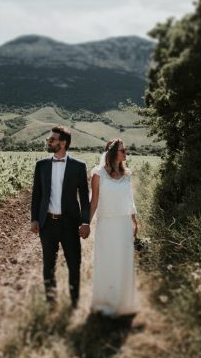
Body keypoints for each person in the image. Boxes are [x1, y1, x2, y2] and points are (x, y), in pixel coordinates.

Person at [30, 125, 90, 307]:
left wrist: (85, 221)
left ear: (63, 143)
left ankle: (74, 303)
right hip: (47, 223)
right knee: (48, 266)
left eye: (52, 139)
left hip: (70, 224)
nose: (49, 142)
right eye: (49, 139)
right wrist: (34, 218)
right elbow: (36, 195)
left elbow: (85, 198)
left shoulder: (79, 166)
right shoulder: (41, 165)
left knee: (74, 265)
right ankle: (51, 304)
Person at [89, 138, 139, 316]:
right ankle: (106, 302)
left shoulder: (127, 175)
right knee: (107, 262)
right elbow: (94, 202)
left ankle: (124, 302)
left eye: (125, 150)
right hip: (107, 223)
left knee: (124, 261)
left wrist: (134, 221)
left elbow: (129, 199)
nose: (126, 153)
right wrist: (86, 223)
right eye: (122, 150)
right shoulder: (98, 174)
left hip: (124, 223)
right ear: (112, 153)